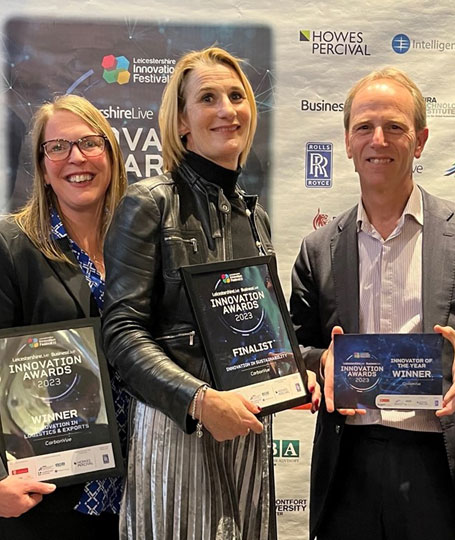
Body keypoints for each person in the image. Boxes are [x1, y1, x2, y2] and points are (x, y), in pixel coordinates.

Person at [289, 67, 455, 540]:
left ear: (419, 141)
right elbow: (296, 347)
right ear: (348, 142)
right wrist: (321, 361)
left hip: (444, 468)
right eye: (364, 127)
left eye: (394, 126)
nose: (378, 139)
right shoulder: (318, 249)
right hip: (348, 466)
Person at [101, 46, 320, 540]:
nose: (227, 110)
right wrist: (198, 401)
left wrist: (301, 369)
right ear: (182, 122)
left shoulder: (254, 217)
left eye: (237, 97)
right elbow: (121, 332)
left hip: (248, 427)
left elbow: (261, 332)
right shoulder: (149, 203)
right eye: (208, 98)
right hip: (178, 426)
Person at [0, 94, 129, 539]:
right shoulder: (7, 245)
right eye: (58, 147)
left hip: (137, 487)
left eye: (90, 143)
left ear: (111, 155)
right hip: (47, 491)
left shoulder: (138, 244)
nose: (76, 158)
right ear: (42, 166)